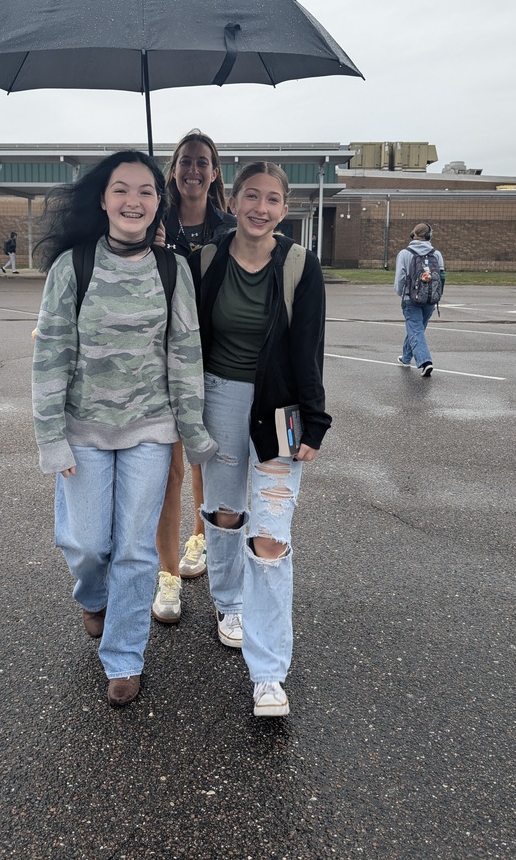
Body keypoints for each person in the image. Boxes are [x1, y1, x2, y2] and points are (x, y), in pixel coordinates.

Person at [31, 150, 216, 708]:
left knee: (135, 550)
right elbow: (51, 355)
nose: (133, 200)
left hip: (150, 430)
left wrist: (193, 429)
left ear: (158, 202)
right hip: (84, 430)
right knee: (88, 543)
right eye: (121, 189)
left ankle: (124, 656)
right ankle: (92, 595)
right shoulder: (73, 266)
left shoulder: (171, 270)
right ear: (103, 199)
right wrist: (49, 435)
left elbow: (185, 354)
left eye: (144, 191)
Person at [189, 161, 331, 718]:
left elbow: (310, 347)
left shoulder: (300, 265)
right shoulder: (206, 260)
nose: (261, 208)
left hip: (280, 410)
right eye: (252, 195)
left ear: (284, 208)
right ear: (236, 198)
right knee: (225, 513)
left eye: (273, 199)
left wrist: (315, 420)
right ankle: (228, 604)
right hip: (218, 400)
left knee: (271, 538)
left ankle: (269, 674)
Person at [151, 130, 236, 626]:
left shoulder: (228, 228)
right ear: (173, 168)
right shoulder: (153, 222)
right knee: (171, 469)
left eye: (203, 162)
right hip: (163, 356)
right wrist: (152, 248)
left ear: (215, 171)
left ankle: (200, 539)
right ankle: (167, 575)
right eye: (185, 161)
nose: (193, 170)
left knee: (207, 460)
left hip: (216, 357)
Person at [394, 222, 445, 377]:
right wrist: (437, 294)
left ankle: (425, 362)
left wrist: (401, 293)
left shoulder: (405, 253)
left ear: (413, 235)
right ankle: (406, 357)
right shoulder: (436, 254)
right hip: (430, 300)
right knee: (417, 329)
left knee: (415, 329)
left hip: (411, 298)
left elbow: (400, 278)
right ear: (429, 236)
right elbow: (441, 276)